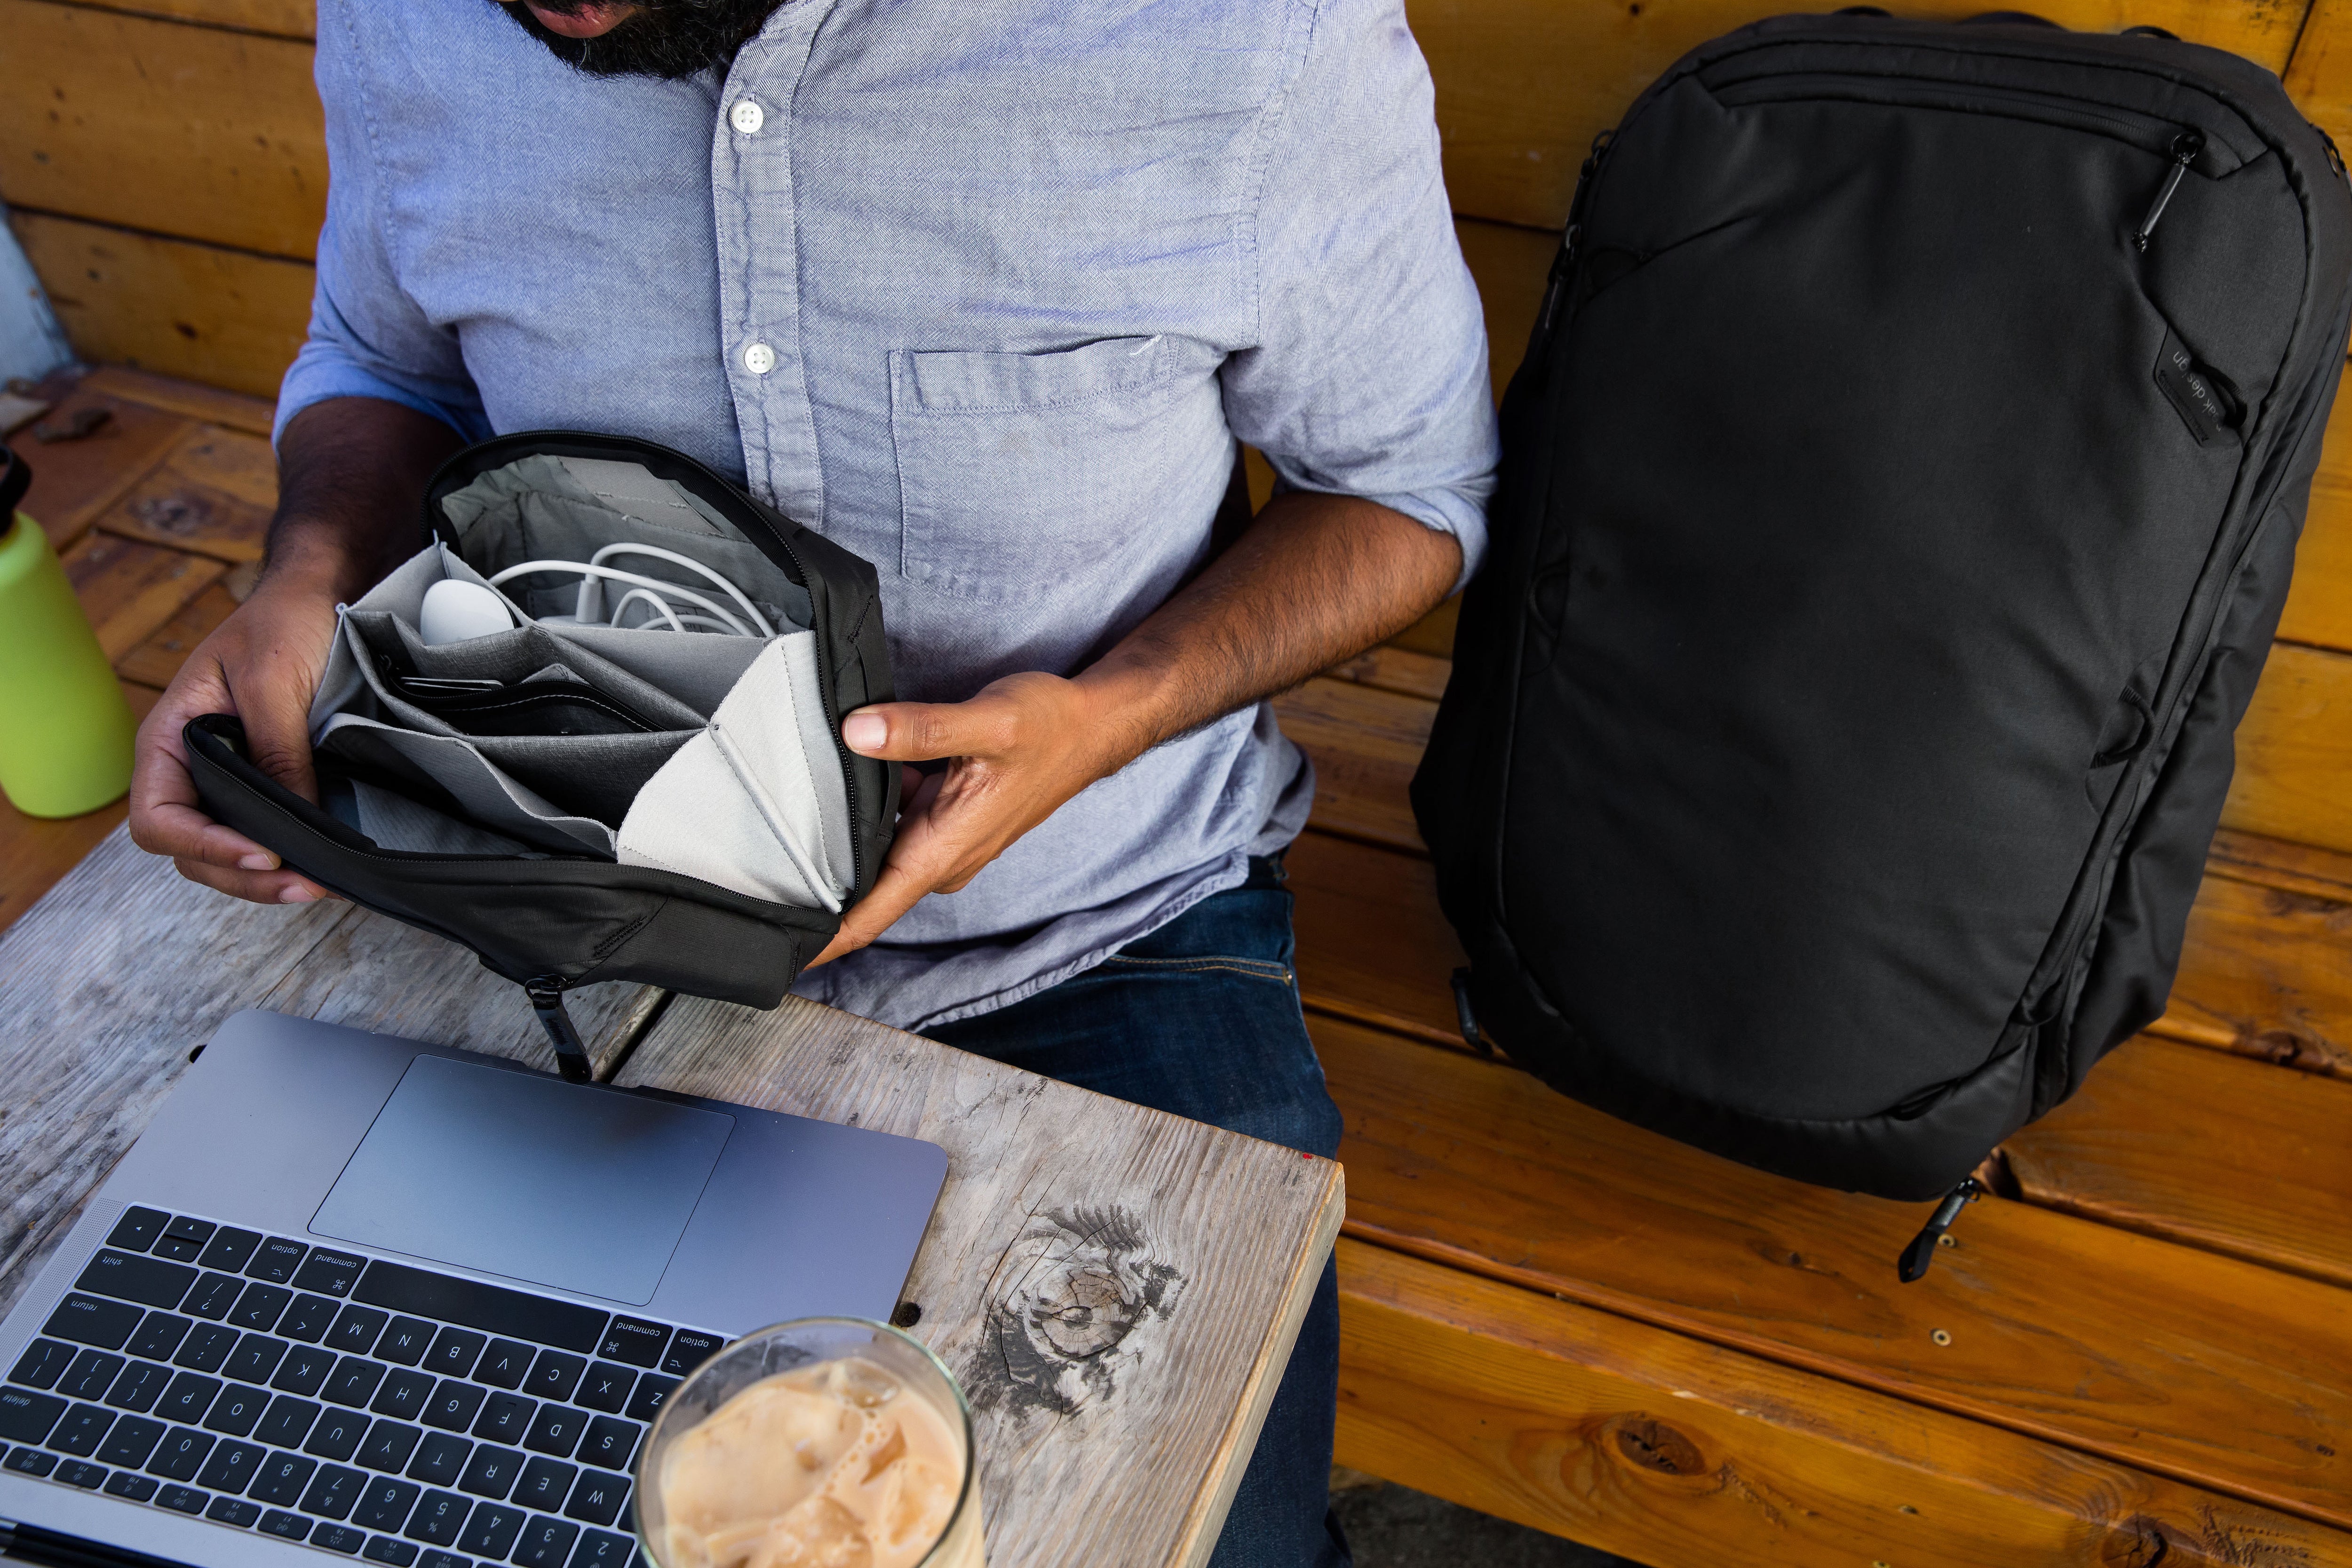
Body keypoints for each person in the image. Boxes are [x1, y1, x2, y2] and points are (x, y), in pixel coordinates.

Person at [125, 0, 1497, 1559]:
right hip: (562, 912)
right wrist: (313, 564)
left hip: (1096, 931)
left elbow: (1405, 492)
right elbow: (382, 360)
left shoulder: (1249, 36)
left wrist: (1112, 712)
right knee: (307, 1476)